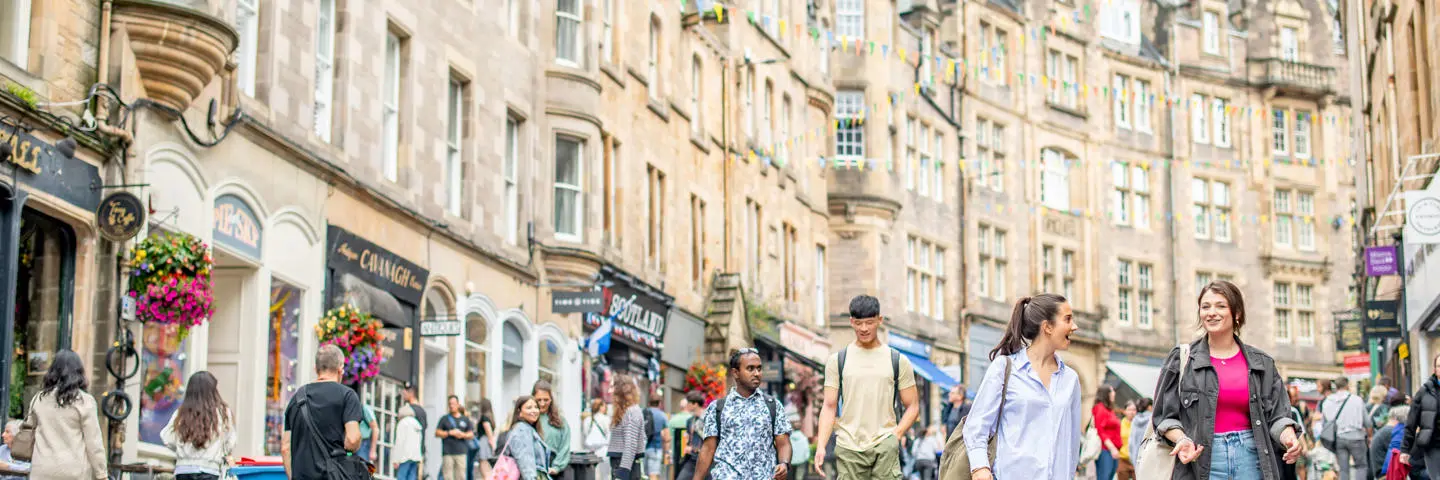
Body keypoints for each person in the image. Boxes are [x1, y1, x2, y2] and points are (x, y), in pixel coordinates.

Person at [1152, 280, 1304, 480]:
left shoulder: (1262, 363)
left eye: (1220, 306)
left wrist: (1289, 437)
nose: (1211, 312)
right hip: (1200, 459)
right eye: (1205, 307)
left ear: (1237, 313)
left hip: (1252, 458)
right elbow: (1164, 416)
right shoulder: (1182, 359)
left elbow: (1277, 416)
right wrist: (1182, 439)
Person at [963, 293, 1081, 480]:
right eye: (1067, 319)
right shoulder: (1004, 368)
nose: (1074, 326)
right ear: (1047, 327)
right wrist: (980, 468)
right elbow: (976, 426)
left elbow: (1073, 443)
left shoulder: (1071, 380)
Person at [814, 295, 920, 480]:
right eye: (858, 323)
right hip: (849, 447)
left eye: (869, 322)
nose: (864, 329)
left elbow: (913, 406)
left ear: (879, 320)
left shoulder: (897, 360)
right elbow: (829, 406)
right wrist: (821, 445)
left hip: (885, 445)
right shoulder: (837, 361)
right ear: (851, 322)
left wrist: (895, 436)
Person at [691, 348, 792, 480]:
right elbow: (708, 448)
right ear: (736, 373)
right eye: (750, 369)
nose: (757, 373)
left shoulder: (773, 406)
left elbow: (783, 442)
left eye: (759, 368)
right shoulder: (717, 408)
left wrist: (784, 464)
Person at [282, 344, 365, 480]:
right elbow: (352, 438)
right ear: (341, 369)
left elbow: (285, 447)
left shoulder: (296, 398)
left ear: (316, 369)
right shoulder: (347, 396)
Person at [26, 349, 107, 480]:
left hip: (41, 469)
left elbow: (29, 429)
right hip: (74, 471)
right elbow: (94, 443)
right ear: (79, 372)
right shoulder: (84, 401)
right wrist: (101, 474)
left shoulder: (39, 398)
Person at [161, 371, 237, 480]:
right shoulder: (222, 412)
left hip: (183, 470)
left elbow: (166, 437)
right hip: (210, 470)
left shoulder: (182, 412)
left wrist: (181, 449)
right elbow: (230, 442)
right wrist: (220, 451)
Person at [1322, 376, 1373, 480]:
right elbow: (1367, 422)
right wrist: (1370, 436)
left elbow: (1325, 423)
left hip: (1339, 438)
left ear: (1336, 386)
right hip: (1357, 437)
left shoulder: (1328, 401)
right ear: (1347, 385)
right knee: (1361, 466)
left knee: (1343, 469)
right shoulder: (1357, 400)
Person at [1401, 352, 1440, 477]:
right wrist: (1405, 450)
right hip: (1433, 446)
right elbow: (1411, 422)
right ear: (1435, 369)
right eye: (1439, 366)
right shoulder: (1424, 392)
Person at [609, 375, 648, 480]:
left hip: (623, 464)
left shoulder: (631, 411)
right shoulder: (626, 410)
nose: (609, 391)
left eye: (613, 387)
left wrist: (623, 472)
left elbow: (631, 444)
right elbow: (642, 438)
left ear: (620, 391)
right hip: (621, 463)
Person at [504, 396, 553, 480]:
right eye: (529, 408)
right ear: (519, 412)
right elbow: (525, 463)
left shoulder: (527, 429)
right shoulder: (522, 430)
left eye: (536, 407)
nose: (534, 410)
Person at [533, 381, 572, 477]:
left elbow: (565, 446)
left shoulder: (559, 421)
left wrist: (556, 467)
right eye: (539, 400)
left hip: (554, 468)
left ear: (551, 400)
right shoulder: (529, 420)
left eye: (546, 400)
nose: (542, 404)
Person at [437, 395, 475, 480]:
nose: (451, 406)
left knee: (461, 476)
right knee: (448, 477)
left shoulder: (465, 419)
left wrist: (462, 435)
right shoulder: (444, 419)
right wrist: (449, 433)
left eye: (453, 404)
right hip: (447, 452)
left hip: (461, 452)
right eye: (449, 404)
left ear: (458, 404)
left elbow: (471, 434)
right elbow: (437, 432)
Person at [674, 391, 708, 480]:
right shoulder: (690, 420)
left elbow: (709, 441)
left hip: (706, 460)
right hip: (692, 459)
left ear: (695, 404)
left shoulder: (708, 418)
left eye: (688, 402)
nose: (686, 405)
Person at [1092, 385, 1123, 480]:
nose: (1114, 393)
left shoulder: (1109, 410)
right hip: (1105, 450)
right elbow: (1100, 431)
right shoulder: (1100, 408)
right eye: (1111, 391)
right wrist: (1112, 448)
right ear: (1105, 394)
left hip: (1112, 450)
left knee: (1109, 477)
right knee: (1104, 477)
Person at [582, 398, 612, 479]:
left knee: (592, 475)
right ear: (601, 407)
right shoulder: (606, 419)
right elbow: (609, 434)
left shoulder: (587, 419)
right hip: (603, 450)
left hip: (590, 451)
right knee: (604, 475)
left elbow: (585, 433)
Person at [393, 404, 424, 480]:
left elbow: (399, 442)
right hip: (415, 455)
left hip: (405, 455)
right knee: (412, 476)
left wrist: (395, 459)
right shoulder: (417, 423)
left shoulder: (403, 423)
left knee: (402, 476)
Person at [643, 396, 668, 480]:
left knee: (643, 475)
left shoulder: (643, 413)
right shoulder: (662, 415)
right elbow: (667, 437)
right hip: (656, 448)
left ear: (649, 403)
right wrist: (667, 452)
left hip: (642, 448)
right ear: (659, 404)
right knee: (653, 475)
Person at [472, 399, 497, 480]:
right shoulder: (490, 418)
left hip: (484, 444)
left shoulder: (484, 418)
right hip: (486, 444)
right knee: (487, 471)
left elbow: (489, 432)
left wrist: (493, 447)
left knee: (485, 471)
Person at [1128, 398, 1152, 472]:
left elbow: (1131, 442)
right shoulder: (1153, 419)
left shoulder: (1135, 420)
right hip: (1149, 459)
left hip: (1136, 457)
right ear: (1149, 407)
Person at [1117, 400, 1136, 480]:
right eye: (1129, 409)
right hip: (1123, 459)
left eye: (1134, 410)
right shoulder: (1119, 424)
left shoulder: (1140, 425)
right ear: (1124, 411)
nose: (1132, 412)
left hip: (1136, 459)